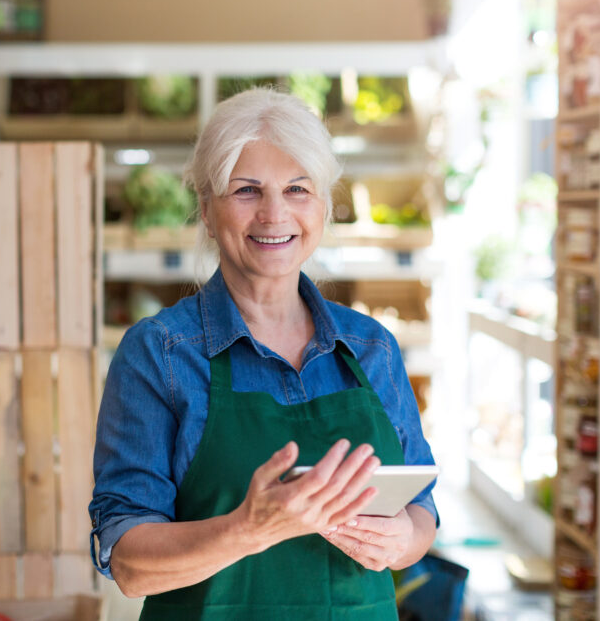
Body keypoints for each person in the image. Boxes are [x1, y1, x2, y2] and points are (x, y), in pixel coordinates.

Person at [90, 87, 438, 619]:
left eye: (297, 188)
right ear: (207, 210)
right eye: (247, 190)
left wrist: (402, 541)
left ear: (323, 205)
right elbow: (130, 565)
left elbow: (422, 512)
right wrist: (247, 530)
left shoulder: (372, 350)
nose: (274, 215)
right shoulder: (159, 355)